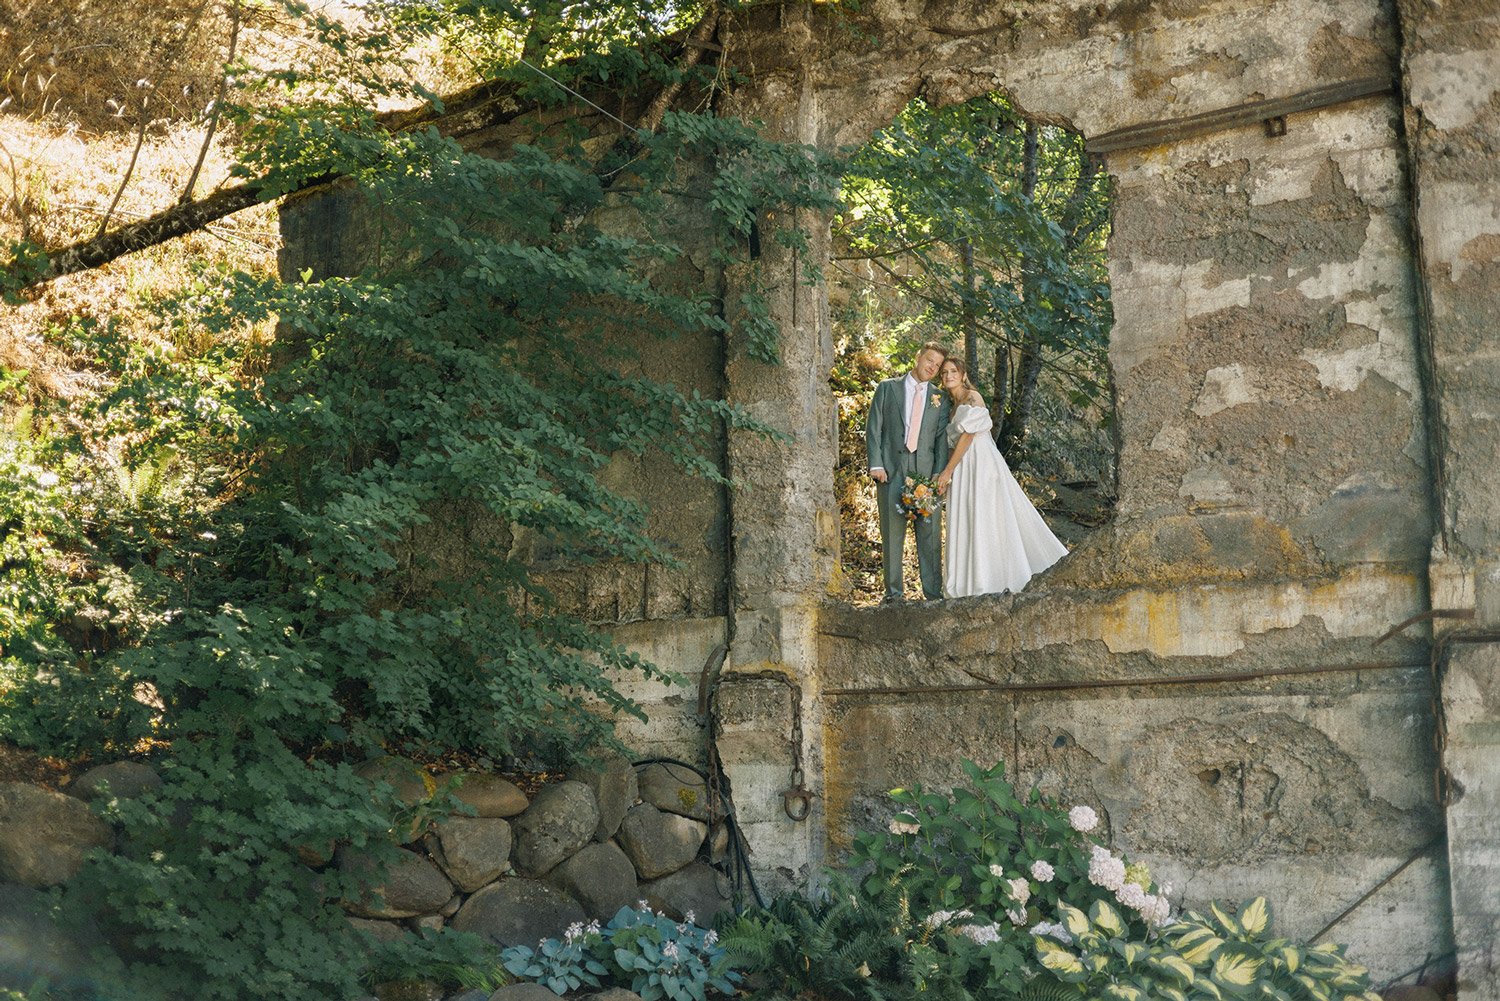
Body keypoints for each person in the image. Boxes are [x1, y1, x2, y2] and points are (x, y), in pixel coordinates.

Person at [934, 358, 1067, 598]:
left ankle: (989, 580)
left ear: (963, 375)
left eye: (953, 371)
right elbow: (954, 443)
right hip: (963, 465)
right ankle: (969, 581)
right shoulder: (952, 405)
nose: (948, 376)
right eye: (944, 372)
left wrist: (948, 471)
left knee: (986, 516)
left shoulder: (973, 397)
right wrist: (946, 471)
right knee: (968, 516)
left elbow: (967, 436)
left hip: (980, 462)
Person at [866, 342, 952, 603]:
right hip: (892, 471)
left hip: (926, 475)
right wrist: (876, 465)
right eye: (929, 360)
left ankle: (933, 595)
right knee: (892, 534)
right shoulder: (888, 388)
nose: (932, 367)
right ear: (918, 357)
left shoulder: (940, 398)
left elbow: (940, 440)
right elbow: (875, 428)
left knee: (930, 535)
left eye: (937, 365)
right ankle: (894, 595)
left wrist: (939, 474)